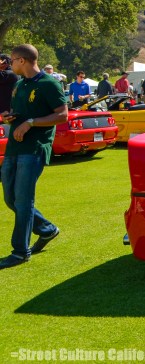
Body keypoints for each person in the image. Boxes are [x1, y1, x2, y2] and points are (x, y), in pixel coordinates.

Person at [0, 44, 67, 269]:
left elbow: (62, 115)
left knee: (24, 200)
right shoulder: (19, 85)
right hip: (14, 149)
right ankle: (47, 229)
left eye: (12, 60)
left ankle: (20, 252)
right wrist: (10, 117)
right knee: (11, 199)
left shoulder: (49, 83)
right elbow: (24, 112)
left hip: (34, 148)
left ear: (22, 60)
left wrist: (31, 123)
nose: (9, 64)